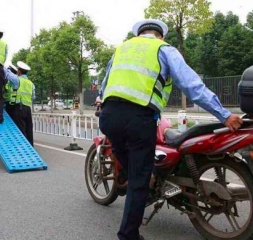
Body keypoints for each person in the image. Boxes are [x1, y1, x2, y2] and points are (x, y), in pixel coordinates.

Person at [98, 19, 243, 240]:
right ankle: (128, 234)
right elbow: (192, 86)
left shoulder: (121, 49)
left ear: (139, 34)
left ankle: (142, 179)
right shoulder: (163, 49)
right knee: (139, 179)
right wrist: (223, 115)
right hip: (139, 119)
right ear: (161, 36)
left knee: (122, 152)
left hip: (109, 116)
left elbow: (104, 85)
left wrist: (101, 103)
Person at [4, 61, 35, 145]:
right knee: (28, 128)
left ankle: (22, 146)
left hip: (18, 108)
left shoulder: (17, 80)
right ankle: (30, 147)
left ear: (19, 71)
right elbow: (33, 97)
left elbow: (7, 73)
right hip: (28, 109)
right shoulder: (31, 84)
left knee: (20, 129)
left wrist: (3, 65)